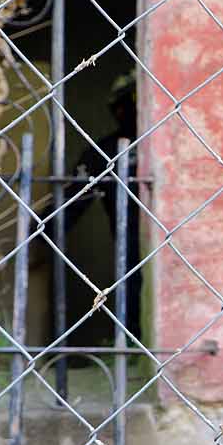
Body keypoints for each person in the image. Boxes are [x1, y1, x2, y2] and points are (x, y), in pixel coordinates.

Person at [63, 71, 143, 339]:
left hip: (174, 244)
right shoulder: (105, 152)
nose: (128, 110)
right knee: (132, 287)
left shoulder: (175, 145)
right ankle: (132, 347)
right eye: (126, 103)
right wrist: (35, 234)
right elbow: (70, 203)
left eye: (134, 100)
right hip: (130, 249)